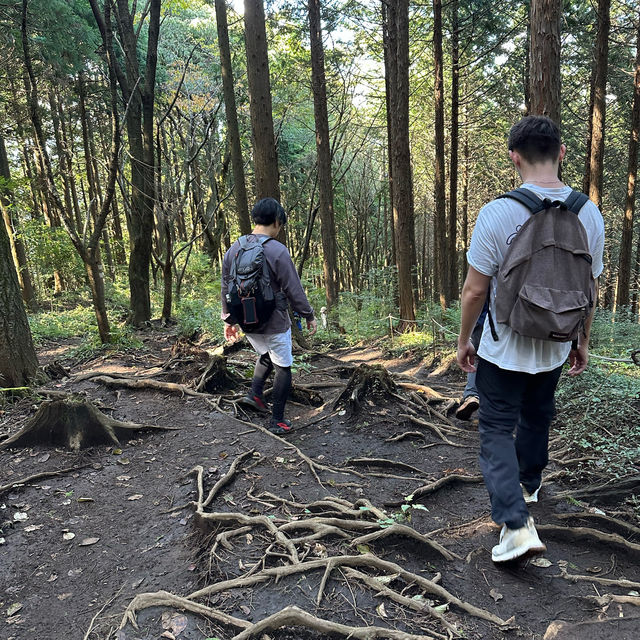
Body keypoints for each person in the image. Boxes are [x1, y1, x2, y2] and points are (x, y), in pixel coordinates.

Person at [456, 116, 604, 563]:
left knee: (498, 427)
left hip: (505, 343)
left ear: (514, 157)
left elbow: (475, 290)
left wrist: (465, 340)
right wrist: (582, 340)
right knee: (539, 414)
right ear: (561, 153)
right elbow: (590, 289)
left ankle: (516, 526)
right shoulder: (589, 213)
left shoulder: (499, 212)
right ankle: (529, 485)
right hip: (558, 340)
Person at [221, 198, 317, 435]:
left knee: (265, 353)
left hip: (246, 322)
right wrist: (308, 315)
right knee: (283, 367)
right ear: (277, 221)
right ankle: (278, 420)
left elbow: (226, 286)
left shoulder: (233, 249)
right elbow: (293, 288)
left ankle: (255, 394)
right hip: (274, 321)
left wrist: (228, 320)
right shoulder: (276, 250)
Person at [455, 297, 488, 421]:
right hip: (522, 324)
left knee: (477, 359)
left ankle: (472, 395)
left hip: (487, 323)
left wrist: (463, 339)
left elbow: (475, 294)